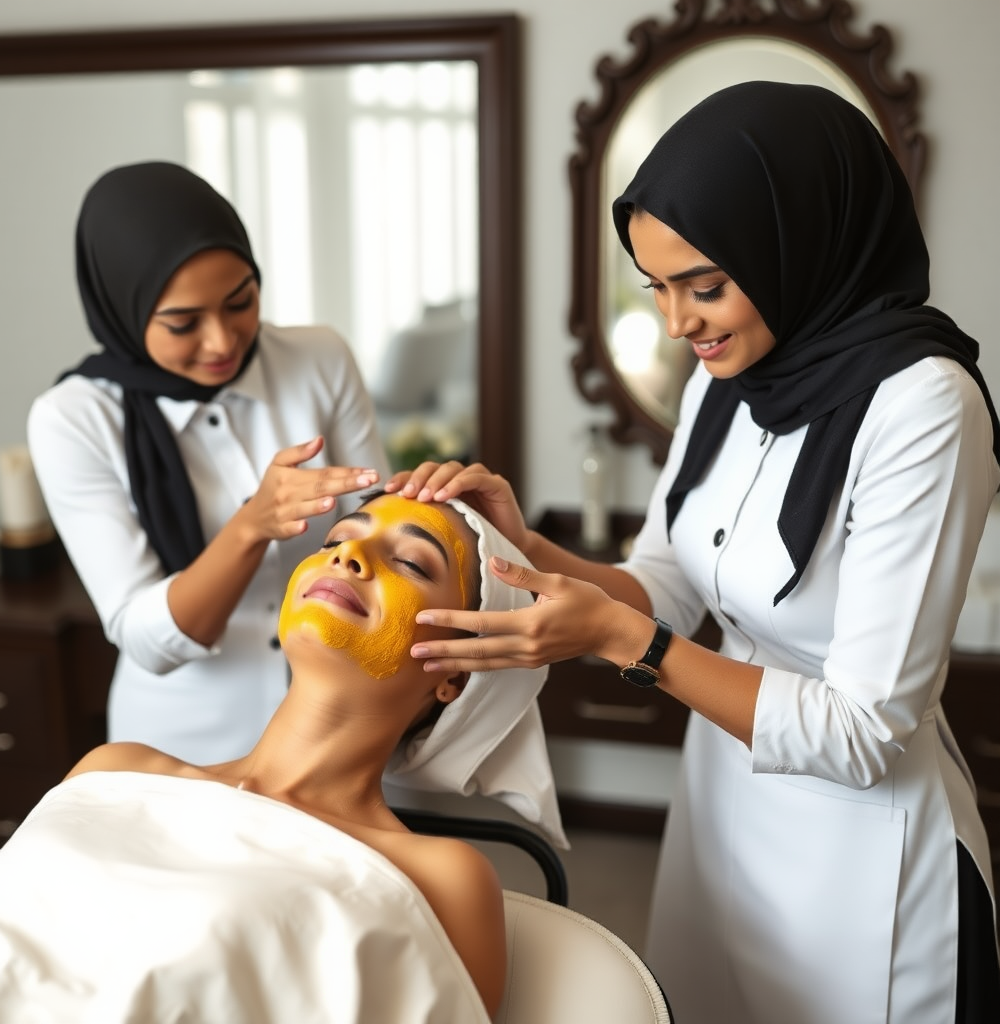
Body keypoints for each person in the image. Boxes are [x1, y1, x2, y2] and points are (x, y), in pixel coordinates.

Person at [400, 81, 1000, 1023]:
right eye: (658, 289)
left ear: (796, 243)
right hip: (726, 799)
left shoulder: (923, 405)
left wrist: (623, 645)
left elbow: (864, 730)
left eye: (705, 286)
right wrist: (526, 543)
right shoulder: (731, 378)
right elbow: (669, 586)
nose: (679, 324)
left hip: (865, 848)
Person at [0, 492, 562, 1023]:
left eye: (411, 562)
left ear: (456, 673)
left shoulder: (441, 878)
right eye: (336, 539)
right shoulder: (115, 770)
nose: (348, 556)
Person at [27, 160, 404, 765]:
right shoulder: (72, 420)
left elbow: (381, 529)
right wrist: (250, 526)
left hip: (342, 724)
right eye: (183, 323)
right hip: (181, 747)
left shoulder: (318, 359)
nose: (223, 341)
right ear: (122, 309)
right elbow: (148, 639)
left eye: (240, 302)